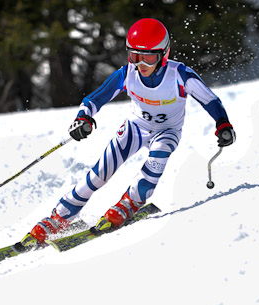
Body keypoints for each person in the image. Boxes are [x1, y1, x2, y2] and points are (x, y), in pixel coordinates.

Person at [29, 18, 235, 243]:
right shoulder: (127, 73)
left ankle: (130, 202)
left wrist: (222, 124)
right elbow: (95, 98)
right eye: (135, 56)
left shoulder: (180, 75)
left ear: (163, 54)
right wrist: (83, 118)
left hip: (167, 131)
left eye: (148, 57)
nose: (141, 64)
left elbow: (210, 100)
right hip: (135, 128)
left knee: (158, 158)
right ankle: (60, 216)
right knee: (100, 174)